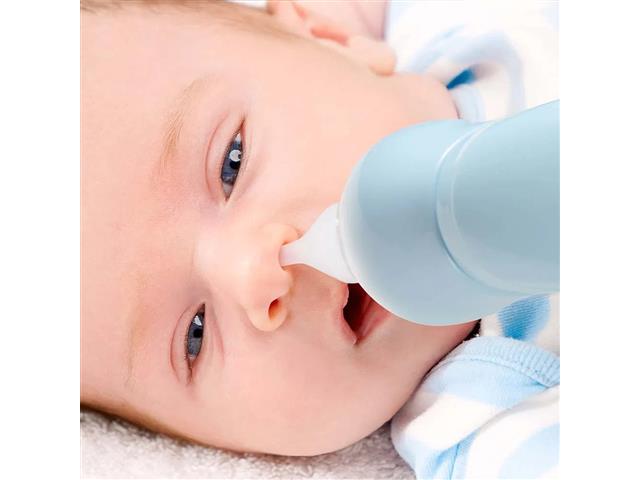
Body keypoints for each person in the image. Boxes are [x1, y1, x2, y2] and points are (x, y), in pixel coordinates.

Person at [81, 1, 559, 476]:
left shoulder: (451, 19)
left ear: (329, 36)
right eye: (195, 335)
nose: (254, 273)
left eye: (232, 162)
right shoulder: (486, 423)